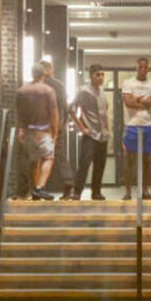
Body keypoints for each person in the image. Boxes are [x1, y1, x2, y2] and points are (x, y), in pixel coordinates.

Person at [15, 62, 59, 201]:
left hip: (28, 131)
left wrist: (21, 129)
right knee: (48, 157)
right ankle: (40, 187)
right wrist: (55, 131)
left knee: (34, 160)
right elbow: (53, 112)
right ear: (44, 75)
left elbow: (19, 113)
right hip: (43, 130)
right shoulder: (47, 90)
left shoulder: (21, 91)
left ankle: (33, 189)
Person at [120, 56, 151, 201]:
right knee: (130, 159)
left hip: (147, 125)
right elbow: (128, 102)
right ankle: (128, 191)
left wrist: (139, 100)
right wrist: (146, 102)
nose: (143, 70)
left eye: (145, 67)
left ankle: (145, 191)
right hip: (132, 124)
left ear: (148, 69)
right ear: (136, 68)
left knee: (147, 160)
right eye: (140, 67)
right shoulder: (128, 83)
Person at [67, 63, 110, 201]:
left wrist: (107, 129)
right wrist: (81, 127)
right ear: (91, 76)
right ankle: (77, 192)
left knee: (100, 164)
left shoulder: (102, 93)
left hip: (102, 134)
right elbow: (71, 108)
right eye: (98, 75)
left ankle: (96, 192)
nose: (101, 77)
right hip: (90, 134)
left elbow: (104, 114)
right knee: (85, 163)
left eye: (102, 75)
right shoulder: (84, 91)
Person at [40, 59, 74, 199]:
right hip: (57, 125)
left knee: (39, 157)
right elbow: (65, 106)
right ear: (51, 70)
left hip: (42, 125)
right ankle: (68, 184)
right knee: (60, 155)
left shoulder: (40, 85)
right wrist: (64, 122)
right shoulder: (59, 85)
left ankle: (37, 187)